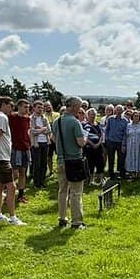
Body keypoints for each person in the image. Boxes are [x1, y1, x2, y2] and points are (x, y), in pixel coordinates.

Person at [0, 97, 24, 226]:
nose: (12, 108)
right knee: (11, 186)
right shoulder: (2, 117)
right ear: (3, 105)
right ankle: (12, 217)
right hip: (1, 158)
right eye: (10, 106)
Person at [54, 96, 88, 228]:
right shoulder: (75, 122)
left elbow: (53, 137)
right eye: (79, 107)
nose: (80, 109)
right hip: (74, 161)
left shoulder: (57, 121)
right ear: (74, 107)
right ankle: (76, 221)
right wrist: (85, 137)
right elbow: (80, 143)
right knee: (76, 192)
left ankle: (62, 218)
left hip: (61, 160)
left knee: (62, 190)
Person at [9, 99, 32, 203]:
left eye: (28, 107)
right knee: (14, 173)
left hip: (25, 148)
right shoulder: (12, 117)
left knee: (23, 172)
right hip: (15, 148)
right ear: (18, 107)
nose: (27, 109)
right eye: (25, 107)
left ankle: (21, 195)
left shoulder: (27, 119)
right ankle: (10, 194)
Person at [103, 103, 128, 179]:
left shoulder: (125, 121)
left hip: (120, 142)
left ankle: (121, 174)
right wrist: (107, 139)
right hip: (110, 142)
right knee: (111, 158)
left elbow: (125, 134)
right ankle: (111, 174)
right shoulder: (110, 119)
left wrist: (124, 144)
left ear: (122, 111)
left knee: (121, 159)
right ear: (115, 110)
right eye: (117, 110)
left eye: (120, 110)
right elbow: (107, 130)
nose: (119, 111)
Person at [29, 101, 51, 189]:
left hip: (45, 142)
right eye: (38, 107)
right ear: (34, 108)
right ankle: (36, 182)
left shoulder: (44, 118)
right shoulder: (31, 118)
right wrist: (42, 130)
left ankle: (42, 181)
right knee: (36, 164)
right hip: (36, 143)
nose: (40, 109)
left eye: (42, 108)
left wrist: (39, 130)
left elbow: (49, 130)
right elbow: (31, 131)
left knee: (44, 163)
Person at [123, 106, 140, 177]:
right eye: (135, 116)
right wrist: (124, 145)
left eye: (137, 116)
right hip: (131, 145)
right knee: (131, 157)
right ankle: (133, 172)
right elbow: (126, 135)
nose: (136, 117)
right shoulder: (128, 125)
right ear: (132, 117)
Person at [83, 107, 106, 184]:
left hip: (98, 147)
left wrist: (98, 143)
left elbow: (101, 135)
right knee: (90, 163)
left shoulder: (98, 124)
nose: (92, 116)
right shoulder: (84, 125)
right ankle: (91, 179)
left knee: (100, 162)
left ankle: (101, 179)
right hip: (89, 147)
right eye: (91, 114)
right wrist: (92, 144)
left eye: (94, 114)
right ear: (87, 115)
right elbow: (84, 136)